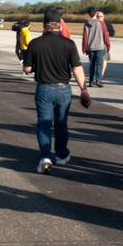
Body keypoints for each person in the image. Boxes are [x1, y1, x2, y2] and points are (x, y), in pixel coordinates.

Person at [24, 9, 90, 173]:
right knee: (61, 124)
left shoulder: (35, 43)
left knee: (44, 123)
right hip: (63, 88)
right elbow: (77, 68)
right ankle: (61, 155)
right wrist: (83, 90)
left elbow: (27, 69)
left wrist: (39, 66)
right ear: (60, 24)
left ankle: (45, 157)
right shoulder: (69, 44)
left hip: (43, 88)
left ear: (44, 25)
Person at [81, 7, 111, 87]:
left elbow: (85, 37)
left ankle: (91, 80)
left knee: (92, 64)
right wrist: (108, 46)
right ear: (96, 13)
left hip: (90, 47)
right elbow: (105, 35)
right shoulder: (101, 23)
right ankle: (98, 80)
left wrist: (84, 48)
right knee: (99, 64)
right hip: (100, 46)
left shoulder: (86, 24)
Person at [97, 12, 113, 79]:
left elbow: (113, 32)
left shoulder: (107, 24)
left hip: (104, 43)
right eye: (98, 16)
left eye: (100, 16)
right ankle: (97, 73)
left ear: (103, 17)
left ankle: (102, 73)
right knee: (96, 60)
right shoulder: (94, 24)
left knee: (104, 59)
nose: (99, 17)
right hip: (96, 44)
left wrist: (108, 33)